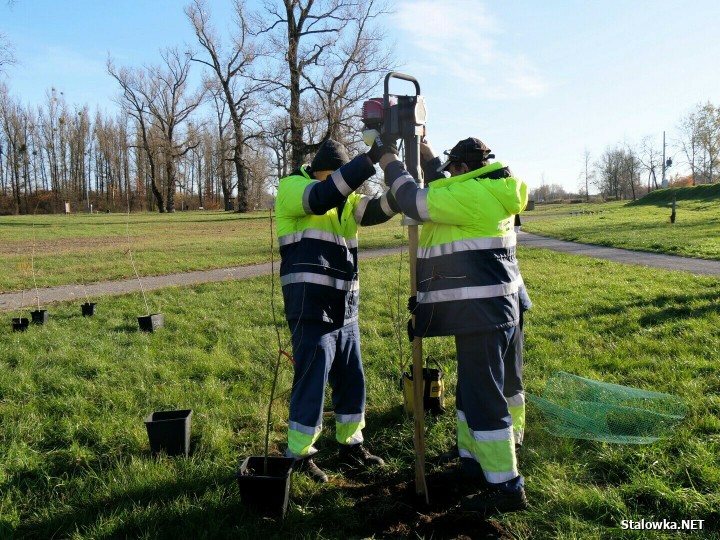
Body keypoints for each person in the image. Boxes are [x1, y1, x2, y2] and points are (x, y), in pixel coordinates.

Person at [375, 135, 529, 513]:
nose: (446, 175)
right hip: (504, 305)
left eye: (451, 169)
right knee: (498, 386)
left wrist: (389, 161)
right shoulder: (496, 189)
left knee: (483, 397)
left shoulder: (471, 197)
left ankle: (504, 485)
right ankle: (476, 458)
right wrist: (425, 153)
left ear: (463, 168)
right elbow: (445, 188)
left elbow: (414, 200)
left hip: (480, 312)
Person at [275, 138, 398, 483]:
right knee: (311, 383)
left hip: (346, 308)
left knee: (351, 380)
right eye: (336, 179)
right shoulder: (294, 188)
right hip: (310, 306)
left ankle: (350, 444)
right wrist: (370, 157)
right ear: (319, 173)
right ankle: (298, 455)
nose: (342, 190)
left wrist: (402, 184)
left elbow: (378, 210)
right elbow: (322, 197)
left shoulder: (346, 200)